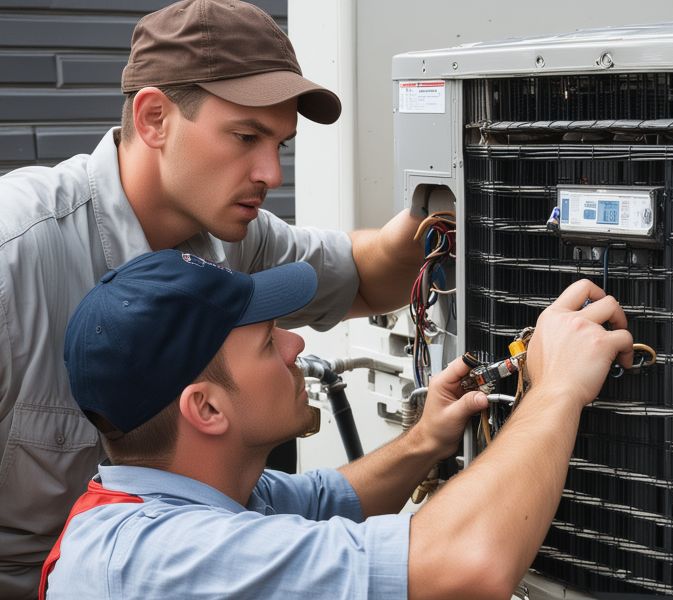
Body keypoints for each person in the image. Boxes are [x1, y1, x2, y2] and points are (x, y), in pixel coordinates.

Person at [0, 1, 427, 597]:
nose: (272, 174)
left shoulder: (231, 240)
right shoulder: (14, 253)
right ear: (154, 119)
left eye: (279, 143)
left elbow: (361, 272)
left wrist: (441, 211)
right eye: (246, 137)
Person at [41, 249, 633, 599]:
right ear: (207, 409)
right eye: (267, 340)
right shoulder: (156, 559)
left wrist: (426, 439)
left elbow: (336, 499)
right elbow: (468, 562)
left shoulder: (200, 494)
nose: (297, 343)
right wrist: (557, 386)